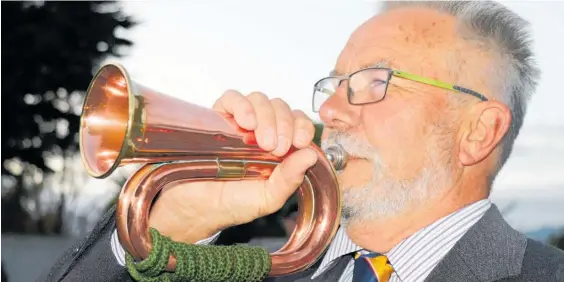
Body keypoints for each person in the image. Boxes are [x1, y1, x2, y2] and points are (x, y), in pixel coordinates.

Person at [40, 1, 564, 281]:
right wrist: (171, 226)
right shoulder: (246, 272)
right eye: (333, 86)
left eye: (373, 81)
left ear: (479, 131)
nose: (330, 111)